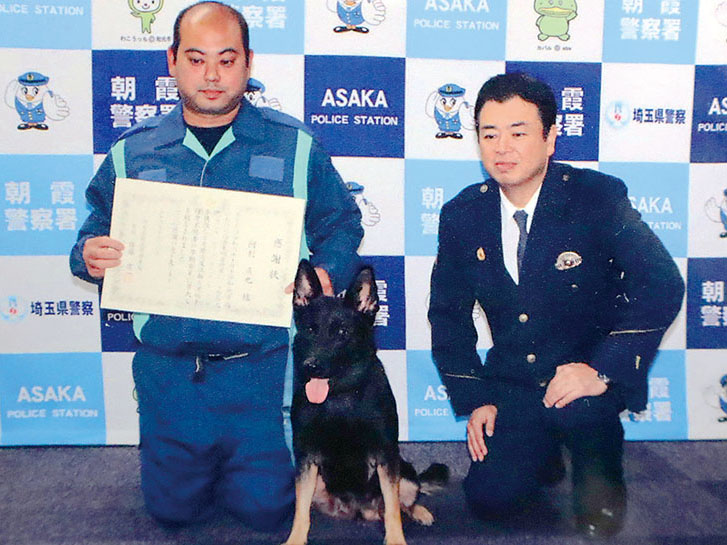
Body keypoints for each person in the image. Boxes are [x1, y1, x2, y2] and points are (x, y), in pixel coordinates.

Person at [69, 1, 362, 532]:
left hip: (260, 370)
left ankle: (259, 463)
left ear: (248, 63)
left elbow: (341, 223)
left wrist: (327, 273)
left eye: (227, 60)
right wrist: (89, 254)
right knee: (172, 513)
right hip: (169, 371)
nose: (211, 75)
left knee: (267, 511)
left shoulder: (295, 146)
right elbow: (93, 229)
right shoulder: (132, 152)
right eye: (196, 58)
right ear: (172, 61)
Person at [428, 72, 684, 538]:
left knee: (597, 523)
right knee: (488, 500)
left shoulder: (597, 197)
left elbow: (662, 285)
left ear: (550, 138)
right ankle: (542, 453)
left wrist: (602, 370)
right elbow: (447, 315)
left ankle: (600, 452)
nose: (502, 147)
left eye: (518, 132)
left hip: (584, 378)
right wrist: (476, 396)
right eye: (489, 134)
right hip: (515, 383)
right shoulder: (463, 214)